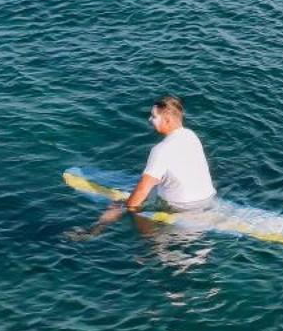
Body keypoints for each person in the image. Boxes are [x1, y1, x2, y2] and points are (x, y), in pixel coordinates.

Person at [93, 96, 217, 230]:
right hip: (207, 199)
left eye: (153, 116)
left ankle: (93, 231)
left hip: (180, 209)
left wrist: (125, 209)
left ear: (167, 120)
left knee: (120, 204)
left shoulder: (160, 150)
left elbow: (142, 190)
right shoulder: (191, 136)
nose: (150, 119)